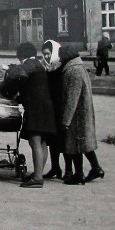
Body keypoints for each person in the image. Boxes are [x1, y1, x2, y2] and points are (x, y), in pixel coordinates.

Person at [1, 42, 57, 188]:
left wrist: (8, 70)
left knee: (35, 140)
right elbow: (30, 85)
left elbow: (17, 75)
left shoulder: (28, 64)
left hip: (36, 108)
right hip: (46, 107)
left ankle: (38, 177)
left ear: (21, 55)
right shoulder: (38, 64)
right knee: (42, 141)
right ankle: (38, 173)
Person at [58, 46, 105, 185]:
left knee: (75, 145)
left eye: (61, 56)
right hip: (82, 113)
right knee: (84, 144)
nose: (60, 59)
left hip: (77, 116)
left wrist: (65, 120)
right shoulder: (79, 67)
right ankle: (96, 168)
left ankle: (79, 174)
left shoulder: (73, 71)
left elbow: (72, 97)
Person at [41, 40, 74, 181]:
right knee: (52, 141)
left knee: (64, 141)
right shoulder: (48, 67)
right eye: (44, 55)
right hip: (51, 109)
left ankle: (68, 170)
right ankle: (55, 168)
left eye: (48, 54)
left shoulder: (61, 67)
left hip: (61, 108)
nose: (46, 57)